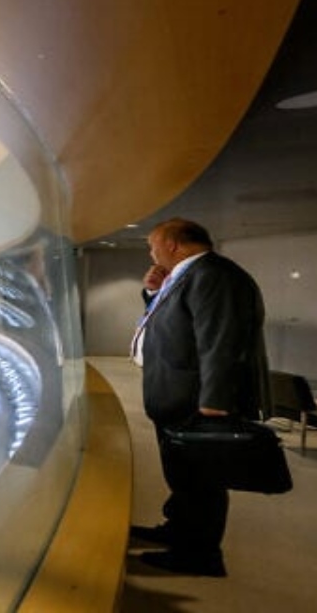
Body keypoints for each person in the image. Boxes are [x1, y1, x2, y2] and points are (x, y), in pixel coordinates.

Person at [130, 218, 267, 578]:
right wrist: (152, 294)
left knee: (201, 482)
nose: (151, 252)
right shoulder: (188, 276)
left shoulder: (213, 276)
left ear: (173, 244)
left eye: (152, 245)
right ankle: (178, 530)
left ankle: (199, 554)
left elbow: (220, 342)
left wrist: (214, 405)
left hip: (195, 403)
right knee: (183, 477)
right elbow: (175, 325)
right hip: (177, 397)